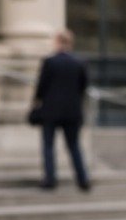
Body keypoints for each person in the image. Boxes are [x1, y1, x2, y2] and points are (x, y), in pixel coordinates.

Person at [30, 28, 91, 191]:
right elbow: (83, 87)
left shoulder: (50, 62)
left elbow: (41, 87)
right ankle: (83, 179)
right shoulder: (80, 63)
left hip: (51, 110)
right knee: (74, 145)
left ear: (57, 42)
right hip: (72, 111)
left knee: (48, 145)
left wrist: (36, 102)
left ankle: (50, 179)